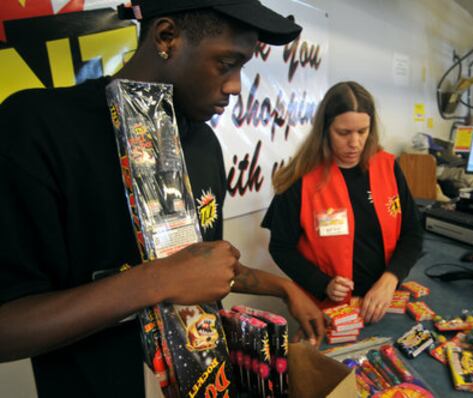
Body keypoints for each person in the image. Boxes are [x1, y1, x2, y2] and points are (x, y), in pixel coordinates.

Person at [0, 1, 325, 396]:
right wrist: (157, 280)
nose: (236, 85)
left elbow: (201, 268)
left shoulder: (203, 143)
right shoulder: (38, 126)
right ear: (166, 37)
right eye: (227, 63)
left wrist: (284, 288)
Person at [262, 81, 423, 324]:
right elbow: (281, 248)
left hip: (383, 303)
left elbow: (412, 233)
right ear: (325, 129)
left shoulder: (388, 166)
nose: (355, 143)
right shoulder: (301, 180)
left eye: (363, 131)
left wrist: (390, 279)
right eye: (344, 133)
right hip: (328, 311)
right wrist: (322, 283)